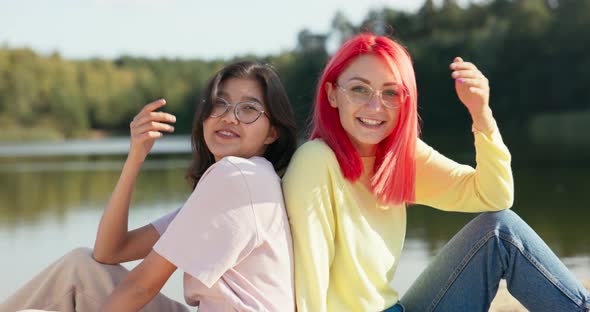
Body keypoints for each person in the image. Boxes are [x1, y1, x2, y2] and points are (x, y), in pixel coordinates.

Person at [282, 32, 590, 311]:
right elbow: (310, 283)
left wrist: (480, 113)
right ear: (332, 94)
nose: (375, 106)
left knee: (500, 231)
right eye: (359, 89)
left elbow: (495, 196)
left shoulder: (400, 157)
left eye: (390, 93)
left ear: (405, 101)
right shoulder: (316, 161)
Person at [1, 60, 297, 312]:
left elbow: (141, 287)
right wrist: (135, 156)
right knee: (80, 265)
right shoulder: (242, 180)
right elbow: (109, 251)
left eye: (248, 109)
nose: (228, 116)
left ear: (272, 132)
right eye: (220, 103)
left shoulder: (237, 177)